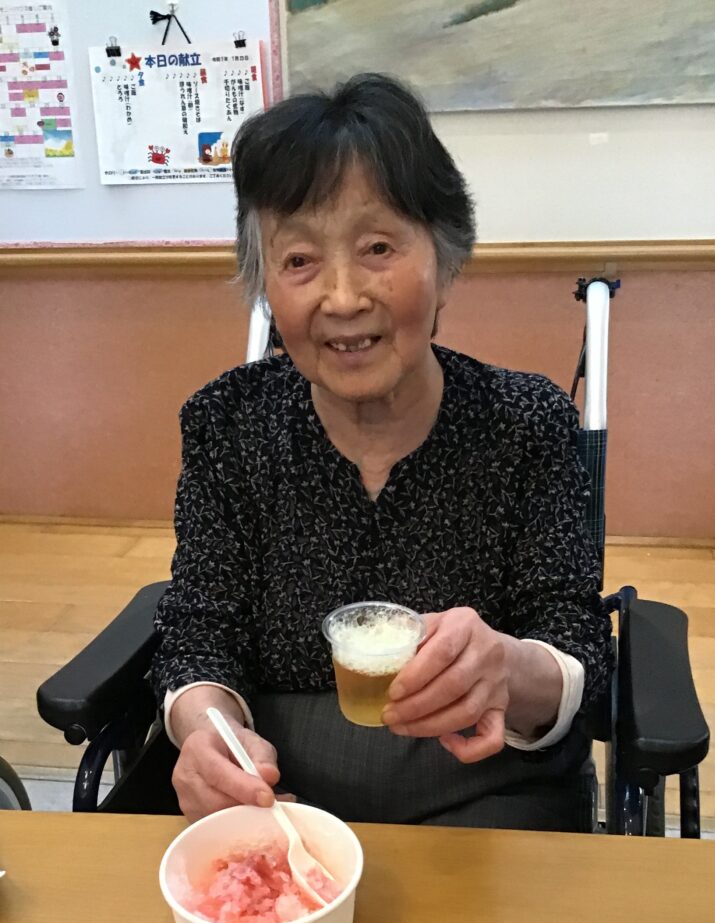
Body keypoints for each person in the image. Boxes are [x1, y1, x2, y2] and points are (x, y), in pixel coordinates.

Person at [151, 73, 613, 831]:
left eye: (377, 247)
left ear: (445, 260)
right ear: (265, 284)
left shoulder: (527, 423)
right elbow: (200, 631)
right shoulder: (226, 424)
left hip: (486, 800)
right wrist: (209, 734)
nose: (342, 298)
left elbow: (574, 647)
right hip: (276, 800)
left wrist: (504, 667)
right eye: (299, 260)